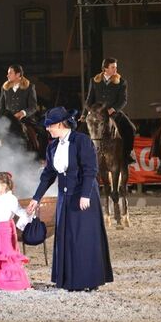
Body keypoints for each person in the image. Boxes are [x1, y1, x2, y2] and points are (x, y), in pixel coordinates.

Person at [27, 107, 113, 291]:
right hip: (64, 197)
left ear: (60, 124)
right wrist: (36, 198)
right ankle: (69, 280)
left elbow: (90, 169)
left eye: (50, 125)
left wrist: (85, 194)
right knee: (66, 237)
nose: (47, 129)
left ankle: (88, 280)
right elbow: (48, 175)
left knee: (83, 238)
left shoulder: (82, 141)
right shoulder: (52, 146)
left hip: (83, 195)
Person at [83, 58, 136, 163]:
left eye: (116, 67)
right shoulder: (94, 81)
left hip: (114, 113)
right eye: (113, 67)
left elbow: (123, 100)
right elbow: (89, 99)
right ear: (105, 69)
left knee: (131, 129)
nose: (115, 69)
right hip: (97, 114)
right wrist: (84, 115)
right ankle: (83, 156)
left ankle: (127, 154)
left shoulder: (121, 82)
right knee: (80, 130)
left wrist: (113, 109)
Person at [0, 64, 40, 152]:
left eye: (10, 73)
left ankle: (36, 153)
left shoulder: (30, 87)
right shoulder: (5, 88)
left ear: (18, 74)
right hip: (8, 121)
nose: (7, 75)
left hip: (25, 120)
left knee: (35, 139)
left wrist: (23, 113)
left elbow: (33, 107)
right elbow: (1, 107)